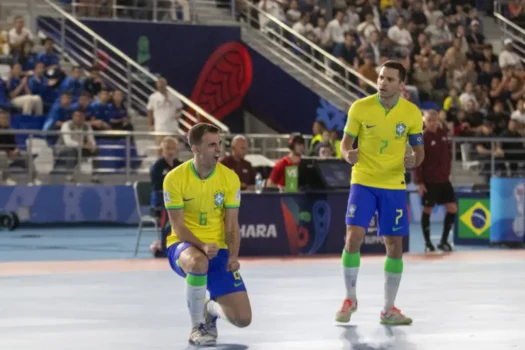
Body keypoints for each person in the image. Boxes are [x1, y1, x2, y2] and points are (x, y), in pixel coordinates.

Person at [336, 60, 425, 326]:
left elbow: (419, 151)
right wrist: (347, 155)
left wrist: (415, 160)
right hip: (363, 180)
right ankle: (350, 298)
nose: (382, 83)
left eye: (389, 79)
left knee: (394, 244)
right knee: (354, 236)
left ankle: (388, 310)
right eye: (380, 78)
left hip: (394, 184)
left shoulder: (411, 113)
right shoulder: (360, 108)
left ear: (400, 84)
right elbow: (344, 145)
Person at [163, 123, 252, 346]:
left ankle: (209, 308)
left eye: (219, 144)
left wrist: (233, 256)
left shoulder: (229, 178)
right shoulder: (174, 179)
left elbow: (232, 224)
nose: (218, 149)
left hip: (218, 249)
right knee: (197, 262)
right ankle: (197, 327)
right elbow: (178, 226)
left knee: (243, 319)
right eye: (212, 145)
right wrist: (201, 245)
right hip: (183, 246)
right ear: (196, 148)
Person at [413, 110, 456, 252]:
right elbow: (417, 161)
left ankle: (443, 241)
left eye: (434, 120)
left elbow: (448, 155)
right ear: (424, 121)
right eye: (429, 120)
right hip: (429, 181)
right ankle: (428, 243)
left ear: (438, 120)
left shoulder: (443, 135)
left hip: (444, 180)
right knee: (428, 209)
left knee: (452, 209)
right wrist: (419, 182)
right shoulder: (421, 137)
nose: (432, 123)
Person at [149, 136, 182, 258]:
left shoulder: (181, 166)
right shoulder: (157, 166)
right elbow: (156, 186)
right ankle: (164, 247)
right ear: (162, 150)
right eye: (167, 148)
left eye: (173, 148)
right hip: (159, 202)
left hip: (178, 200)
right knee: (169, 210)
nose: (170, 151)